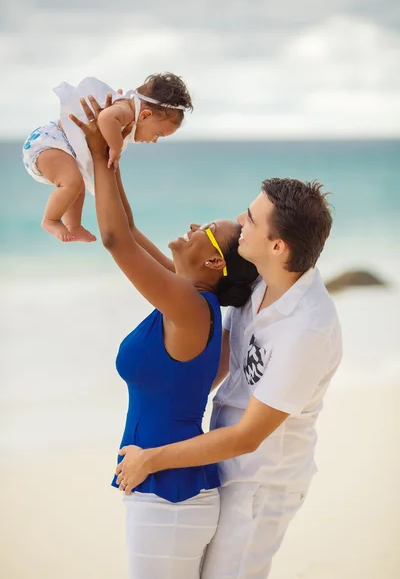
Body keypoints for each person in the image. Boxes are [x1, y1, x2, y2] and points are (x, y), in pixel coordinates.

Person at [70, 96, 259, 579]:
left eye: (206, 230)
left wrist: (97, 153)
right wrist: (108, 152)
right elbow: (126, 228)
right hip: (164, 490)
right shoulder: (188, 302)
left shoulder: (193, 310)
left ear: (214, 263)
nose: (193, 225)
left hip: (169, 495)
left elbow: (113, 240)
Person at [115, 177, 343, 578]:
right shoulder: (261, 279)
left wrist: (151, 459)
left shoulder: (307, 328)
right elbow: (176, 277)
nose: (241, 220)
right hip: (217, 467)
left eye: (252, 219)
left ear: (278, 246)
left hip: (259, 487)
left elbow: (248, 436)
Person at [22, 73, 192, 242]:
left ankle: (73, 226)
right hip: (50, 143)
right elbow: (105, 117)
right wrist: (115, 148)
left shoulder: (125, 112)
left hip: (61, 148)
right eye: (158, 134)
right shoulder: (124, 110)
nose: (154, 141)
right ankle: (50, 220)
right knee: (72, 183)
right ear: (145, 115)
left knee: (77, 186)